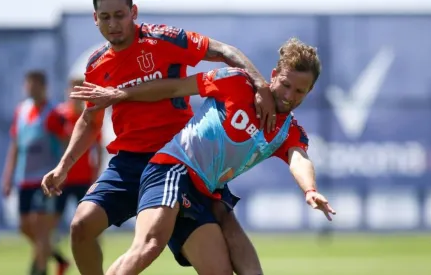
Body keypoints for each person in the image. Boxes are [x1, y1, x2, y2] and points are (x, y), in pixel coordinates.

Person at [41, 0, 276, 274]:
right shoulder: (97, 66)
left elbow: (224, 51)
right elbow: (90, 120)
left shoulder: (163, 39)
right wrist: (63, 167)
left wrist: (260, 84)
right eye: (105, 17)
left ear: (134, 12)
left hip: (180, 162)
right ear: (95, 18)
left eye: (119, 15)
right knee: (81, 226)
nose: (113, 24)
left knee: (217, 269)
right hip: (129, 164)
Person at [71, 37, 337, 274]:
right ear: (274, 75)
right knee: (149, 246)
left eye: (300, 91)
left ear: (310, 91)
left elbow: (299, 158)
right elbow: (175, 88)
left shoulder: (289, 131)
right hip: (172, 168)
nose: (289, 96)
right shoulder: (236, 82)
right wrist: (121, 94)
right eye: (286, 85)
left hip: (204, 191)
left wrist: (310, 190)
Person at [1, 71, 69, 275]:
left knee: (40, 229)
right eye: (28, 84)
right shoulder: (21, 111)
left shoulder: (53, 113)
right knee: (24, 227)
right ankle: (58, 258)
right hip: (24, 179)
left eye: (35, 84)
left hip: (44, 180)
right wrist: (7, 176)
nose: (31, 88)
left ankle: (39, 270)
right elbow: (15, 145)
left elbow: (66, 142)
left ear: (43, 87)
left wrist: (61, 170)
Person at [51, 78, 104, 275]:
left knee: (89, 225)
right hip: (62, 180)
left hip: (84, 181)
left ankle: (94, 264)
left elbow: (97, 148)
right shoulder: (59, 115)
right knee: (48, 226)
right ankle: (58, 260)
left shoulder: (90, 116)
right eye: (73, 90)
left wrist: (96, 176)